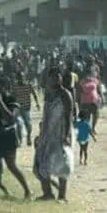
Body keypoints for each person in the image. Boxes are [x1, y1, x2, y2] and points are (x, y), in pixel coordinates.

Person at [0, 88, 31, 202]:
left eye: (0, 85)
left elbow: (10, 119)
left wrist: (0, 102)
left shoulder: (11, 100)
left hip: (7, 139)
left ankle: (27, 191)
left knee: (11, 166)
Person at [34, 66, 75, 202]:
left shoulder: (65, 94)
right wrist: (41, 134)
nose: (57, 77)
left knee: (62, 164)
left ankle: (62, 196)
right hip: (47, 134)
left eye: (59, 75)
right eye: (53, 75)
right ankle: (48, 194)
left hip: (61, 133)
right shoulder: (48, 94)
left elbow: (69, 116)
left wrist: (66, 136)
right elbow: (45, 116)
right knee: (41, 164)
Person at [12, 71, 41, 146]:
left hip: (26, 108)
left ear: (24, 77)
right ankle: (19, 140)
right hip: (18, 108)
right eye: (19, 78)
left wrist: (37, 103)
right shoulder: (15, 86)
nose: (20, 79)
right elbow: (12, 97)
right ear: (17, 78)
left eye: (21, 77)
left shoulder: (28, 85)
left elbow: (34, 94)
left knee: (28, 124)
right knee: (18, 124)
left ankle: (28, 136)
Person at [78, 68, 101, 134]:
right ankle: (90, 129)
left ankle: (93, 128)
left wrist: (101, 97)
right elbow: (79, 91)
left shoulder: (95, 81)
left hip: (93, 101)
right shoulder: (82, 81)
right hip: (86, 101)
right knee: (88, 116)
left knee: (95, 114)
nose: (88, 76)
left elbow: (99, 90)